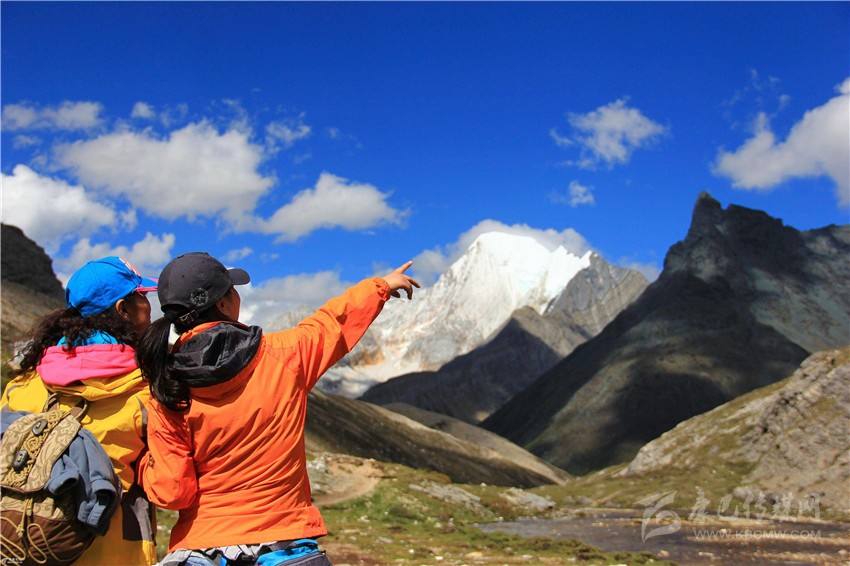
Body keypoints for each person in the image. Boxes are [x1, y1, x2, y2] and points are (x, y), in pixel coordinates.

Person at [135, 252, 419, 566]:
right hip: (284, 540)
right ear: (224, 304)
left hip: (202, 546)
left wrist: (144, 466)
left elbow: (173, 491)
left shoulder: (166, 387)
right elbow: (333, 323)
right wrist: (380, 286)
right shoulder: (285, 354)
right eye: (232, 289)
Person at [1, 256, 159, 565]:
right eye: (141, 295)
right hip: (116, 553)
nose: (148, 305)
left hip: (27, 546)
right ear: (123, 310)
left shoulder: (23, 384)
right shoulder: (144, 390)